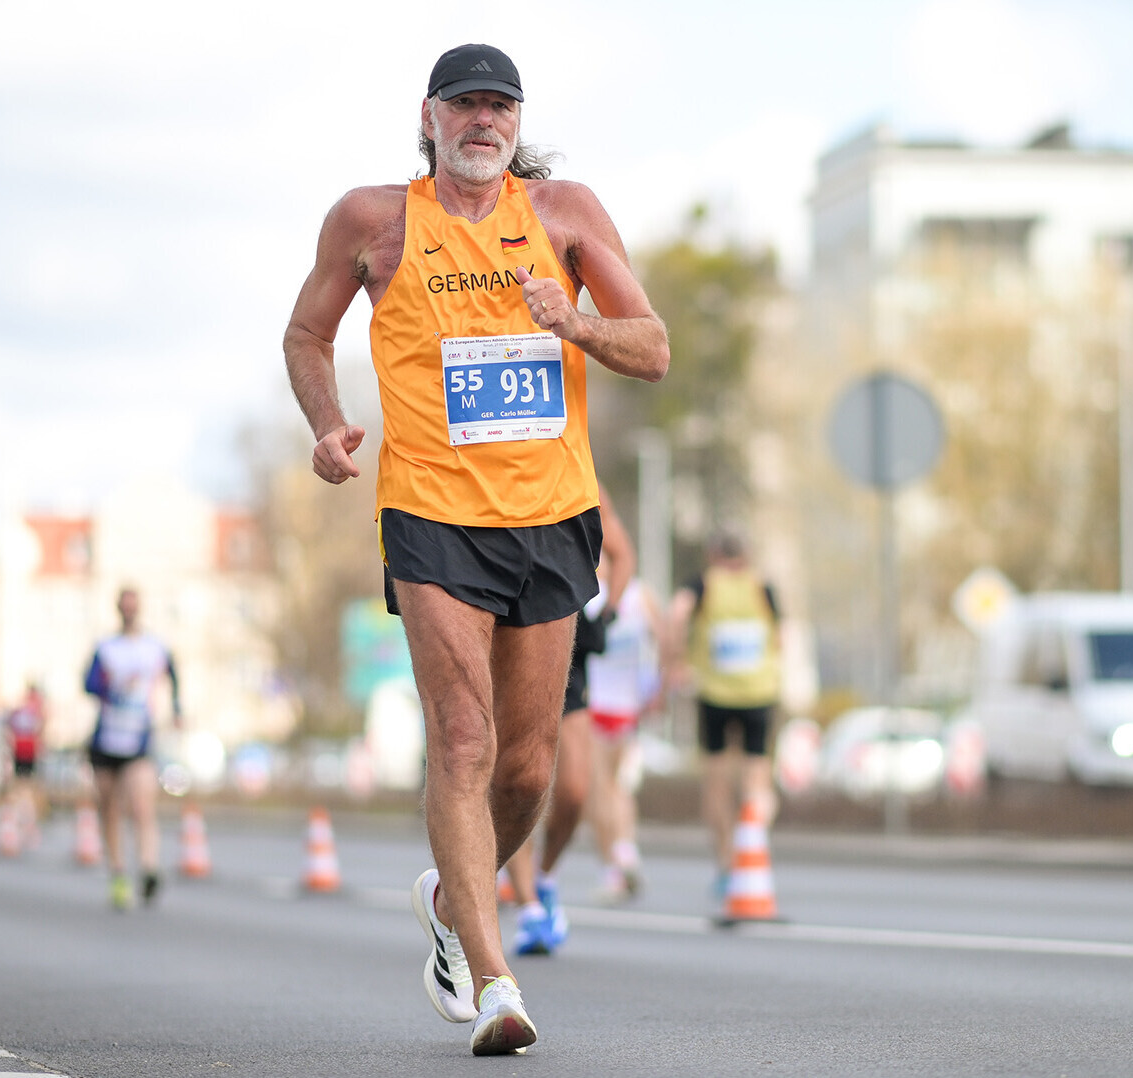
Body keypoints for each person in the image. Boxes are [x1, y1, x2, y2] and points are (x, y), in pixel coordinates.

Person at [282, 43, 668, 1056]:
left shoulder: (564, 214)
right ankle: (493, 981)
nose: (481, 120)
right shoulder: (372, 221)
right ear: (429, 116)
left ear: (515, 121)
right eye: (464, 105)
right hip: (431, 514)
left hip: (550, 514)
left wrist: (574, 321)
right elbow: (305, 334)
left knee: (529, 766)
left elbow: (654, 348)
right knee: (462, 738)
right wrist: (326, 424)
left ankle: (455, 899)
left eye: (498, 106)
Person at [503, 486, 634, 955]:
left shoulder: (581, 477)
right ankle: (529, 907)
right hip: (506, 631)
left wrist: (609, 614)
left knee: (575, 789)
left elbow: (622, 553)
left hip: (564, 636)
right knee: (515, 778)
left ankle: (544, 876)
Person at [668, 530, 782, 898]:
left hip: (715, 693)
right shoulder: (762, 587)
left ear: (713, 555)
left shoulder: (704, 584)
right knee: (757, 779)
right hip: (760, 693)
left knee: (716, 783)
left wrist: (677, 660)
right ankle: (754, 835)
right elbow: (783, 636)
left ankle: (725, 861)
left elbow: (677, 613)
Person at [83, 587, 181, 911]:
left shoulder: (153, 647)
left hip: (139, 738)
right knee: (110, 808)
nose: (129, 611)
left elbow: (174, 673)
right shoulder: (107, 648)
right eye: (124, 606)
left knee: (142, 805)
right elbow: (89, 684)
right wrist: (112, 688)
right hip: (107, 738)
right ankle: (118, 873)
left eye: (133, 606)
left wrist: (177, 710)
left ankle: (149, 867)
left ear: (139, 609)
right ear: (118, 609)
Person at [584, 570, 662, 903]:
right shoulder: (640, 593)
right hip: (628, 704)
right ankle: (627, 850)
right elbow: (664, 637)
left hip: (595, 701)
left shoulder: (586, 591)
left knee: (598, 788)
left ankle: (613, 870)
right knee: (617, 785)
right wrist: (656, 687)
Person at [5, 683, 47, 843]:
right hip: (27, 750)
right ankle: (26, 816)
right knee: (28, 785)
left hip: (24, 750)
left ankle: (23, 816)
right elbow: (41, 729)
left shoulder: (22, 710)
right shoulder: (33, 710)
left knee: (24, 785)